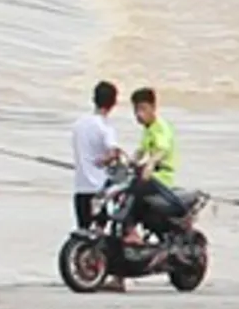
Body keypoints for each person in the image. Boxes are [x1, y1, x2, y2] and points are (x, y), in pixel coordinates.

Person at [127, 87, 186, 235]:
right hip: (151, 176)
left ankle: (131, 231)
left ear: (153, 108)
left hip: (162, 177)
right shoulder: (148, 129)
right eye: (136, 110)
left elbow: (162, 150)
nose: (139, 114)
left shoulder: (161, 128)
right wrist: (130, 161)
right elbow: (141, 151)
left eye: (143, 109)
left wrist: (151, 164)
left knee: (135, 189)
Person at [71, 81, 120, 231]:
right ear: (113, 103)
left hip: (80, 188)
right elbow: (113, 153)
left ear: (94, 99)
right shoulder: (105, 128)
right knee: (100, 229)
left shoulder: (78, 125)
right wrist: (105, 160)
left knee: (83, 230)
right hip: (98, 190)